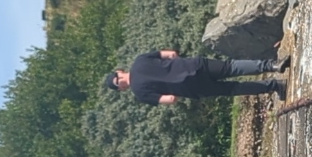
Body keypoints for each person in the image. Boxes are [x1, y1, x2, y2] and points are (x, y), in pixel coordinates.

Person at [108, 50, 286, 104]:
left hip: (193, 87)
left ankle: (275, 85)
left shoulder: (140, 93)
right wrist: (180, 65)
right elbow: (171, 53)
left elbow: (170, 99)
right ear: (120, 72)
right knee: (231, 67)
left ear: (121, 88)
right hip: (194, 65)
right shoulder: (140, 60)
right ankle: (272, 65)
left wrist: (176, 88)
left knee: (234, 88)